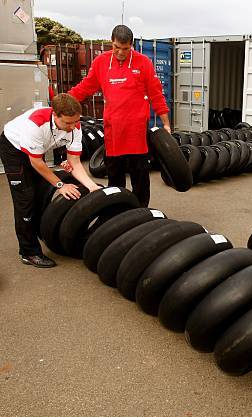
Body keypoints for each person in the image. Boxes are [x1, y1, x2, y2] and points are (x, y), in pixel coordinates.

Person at [68, 24, 171, 207]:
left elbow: (156, 93)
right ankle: (117, 213)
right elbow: (85, 87)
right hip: (113, 131)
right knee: (115, 176)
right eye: (117, 47)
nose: (121, 52)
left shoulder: (143, 62)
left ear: (131, 45)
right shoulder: (101, 62)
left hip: (137, 131)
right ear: (111, 42)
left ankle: (140, 212)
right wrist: (63, 101)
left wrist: (166, 124)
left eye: (125, 48)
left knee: (139, 176)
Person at [0, 94, 101, 268]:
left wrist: (92, 186)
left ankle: (42, 233)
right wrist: (60, 185)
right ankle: (29, 252)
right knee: (26, 199)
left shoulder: (75, 126)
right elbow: (37, 162)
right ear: (55, 115)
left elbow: (74, 162)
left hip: (35, 152)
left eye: (75, 121)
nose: (72, 127)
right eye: (68, 123)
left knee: (40, 194)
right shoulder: (36, 125)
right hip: (14, 149)